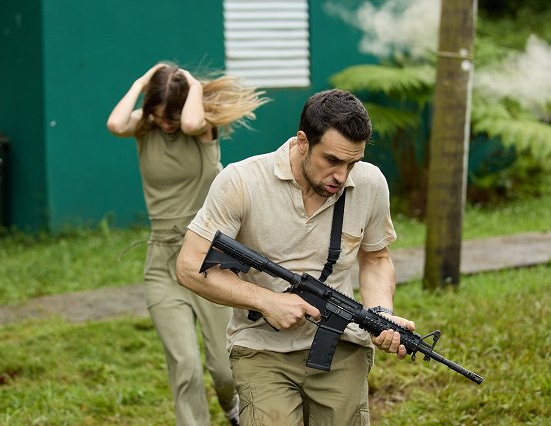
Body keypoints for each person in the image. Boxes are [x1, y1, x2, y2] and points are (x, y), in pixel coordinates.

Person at [176, 89, 416, 425]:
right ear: (303, 141)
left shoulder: (371, 183)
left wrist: (380, 313)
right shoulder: (242, 181)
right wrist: (266, 301)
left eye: (352, 162)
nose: (342, 176)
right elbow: (189, 266)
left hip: (342, 346)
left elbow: (376, 258)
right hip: (262, 347)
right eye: (332, 160)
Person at [106, 62, 266, 426]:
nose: (166, 123)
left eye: (171, 115)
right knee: (186, 369)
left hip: (209, 261)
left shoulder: (202, 129)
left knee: (225, 371)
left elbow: (191, 123)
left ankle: (232, 408)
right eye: (158, 115)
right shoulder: (144, 130)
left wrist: (191, 83)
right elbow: (115, 123)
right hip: (162, 262)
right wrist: (141, 81)